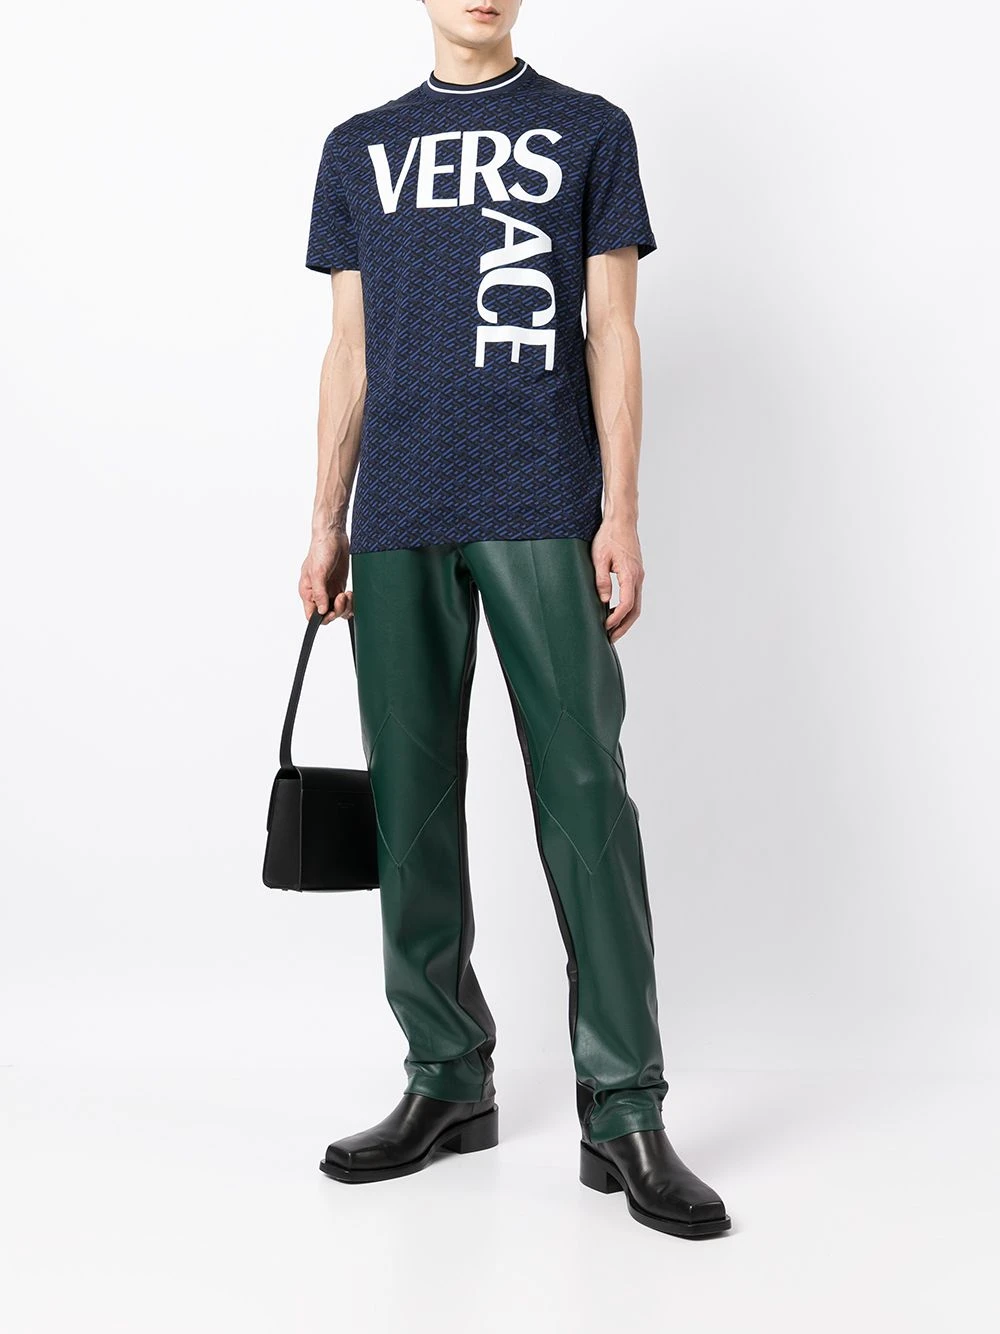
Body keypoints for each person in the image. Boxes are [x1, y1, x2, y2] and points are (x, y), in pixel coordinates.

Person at [298, 0, 731, 1239]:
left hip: (542, 498)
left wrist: (621, 511)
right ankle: (445, 1077)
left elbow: (612, 326)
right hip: (398, 512)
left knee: (586, 793)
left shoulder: (588, 130)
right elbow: (348, 350)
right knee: (410, 805)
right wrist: (325, 518)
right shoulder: (358, 147)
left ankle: (625, 1108)